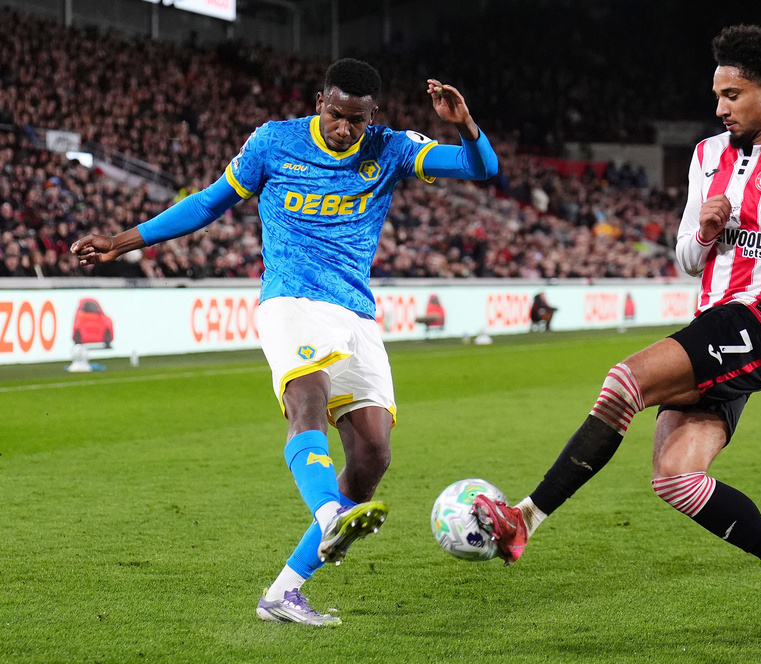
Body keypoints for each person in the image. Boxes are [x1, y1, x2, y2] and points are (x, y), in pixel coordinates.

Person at [73, 58, 498, 626]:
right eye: (335, 114)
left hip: (356, 313)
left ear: (372, 116)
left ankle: (283, 593)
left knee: (373, 454)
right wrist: (124, 241)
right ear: (320, 99)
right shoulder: (274, 142)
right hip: (291, 300)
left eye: (356, 120)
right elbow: (209, 202)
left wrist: (464, 123)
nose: (344, 128)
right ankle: (328, 515)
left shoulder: (392, 149)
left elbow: (481, 168)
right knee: (308, 400)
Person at [472, 25, 761, 654]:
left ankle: (523, 520)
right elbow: (686, 261)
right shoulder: (706, 157)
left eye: (733, 94)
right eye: (717, 94)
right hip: (713, 326)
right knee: (676, 479)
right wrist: (703, 230)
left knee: (626, 380)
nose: (720, 107)